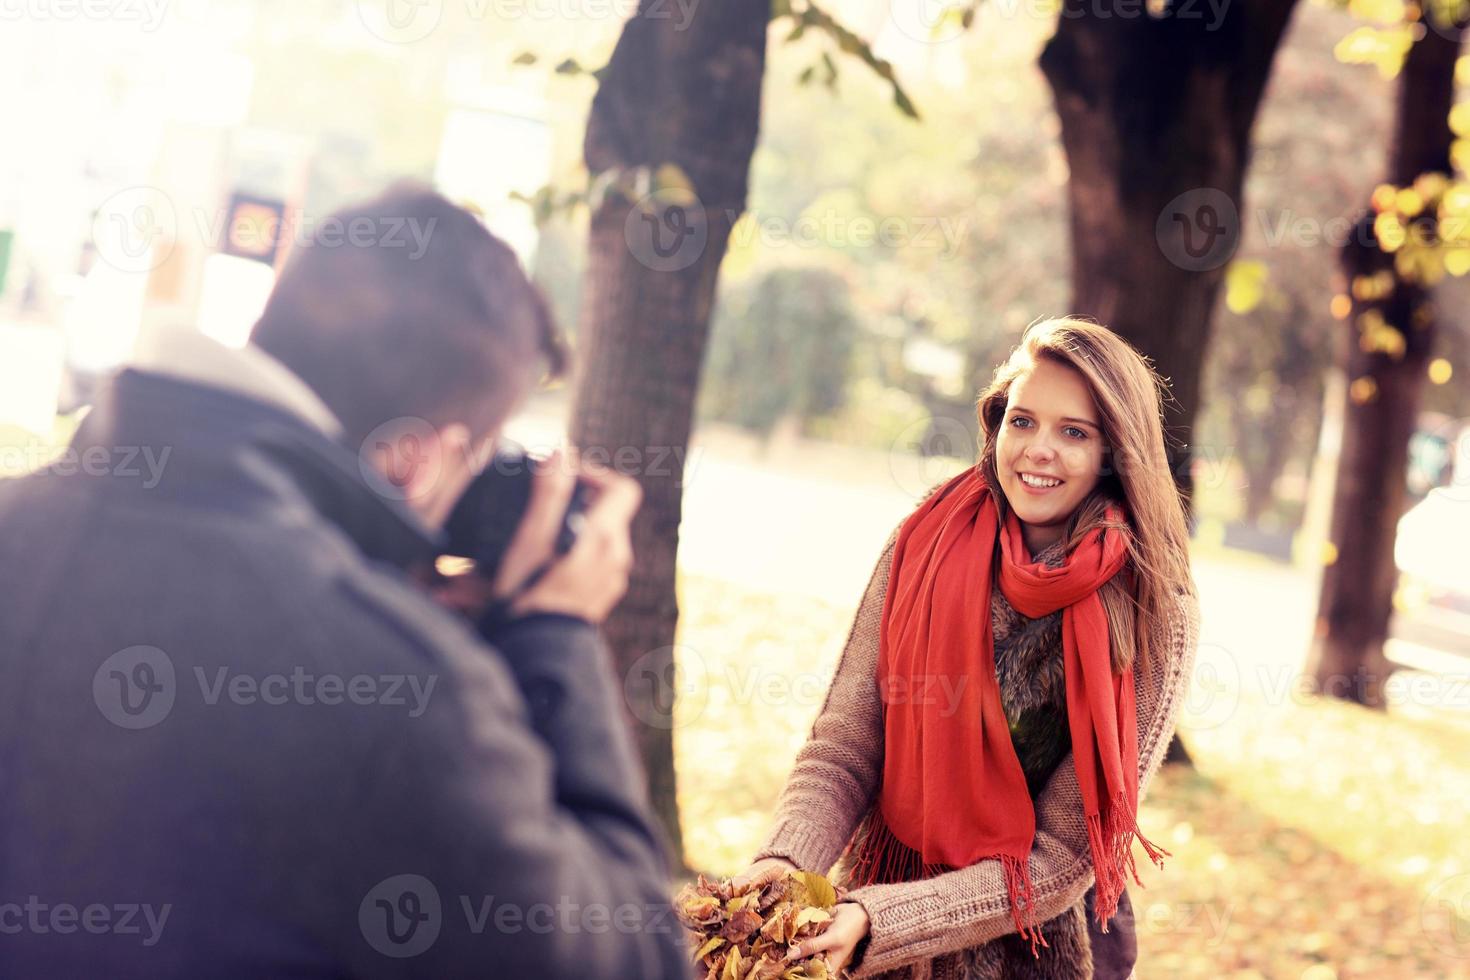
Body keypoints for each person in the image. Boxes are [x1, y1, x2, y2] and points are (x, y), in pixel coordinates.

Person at [0, 185, 693, 979]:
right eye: (477, 461)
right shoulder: (401, 693)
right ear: (418, 459)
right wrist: (554, 636)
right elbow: (632, 957)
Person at [734, 318, 1203, 979]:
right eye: (1023, 421)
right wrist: (781, 868)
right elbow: (844, 747)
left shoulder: (1153, 608)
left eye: (1074, 432)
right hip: (868, 920)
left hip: (1034, 946)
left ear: (1115, 451)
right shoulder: (923, 540)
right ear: (997, 421)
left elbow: (1064, 858)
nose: (1038, 449)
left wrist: (882, 919)